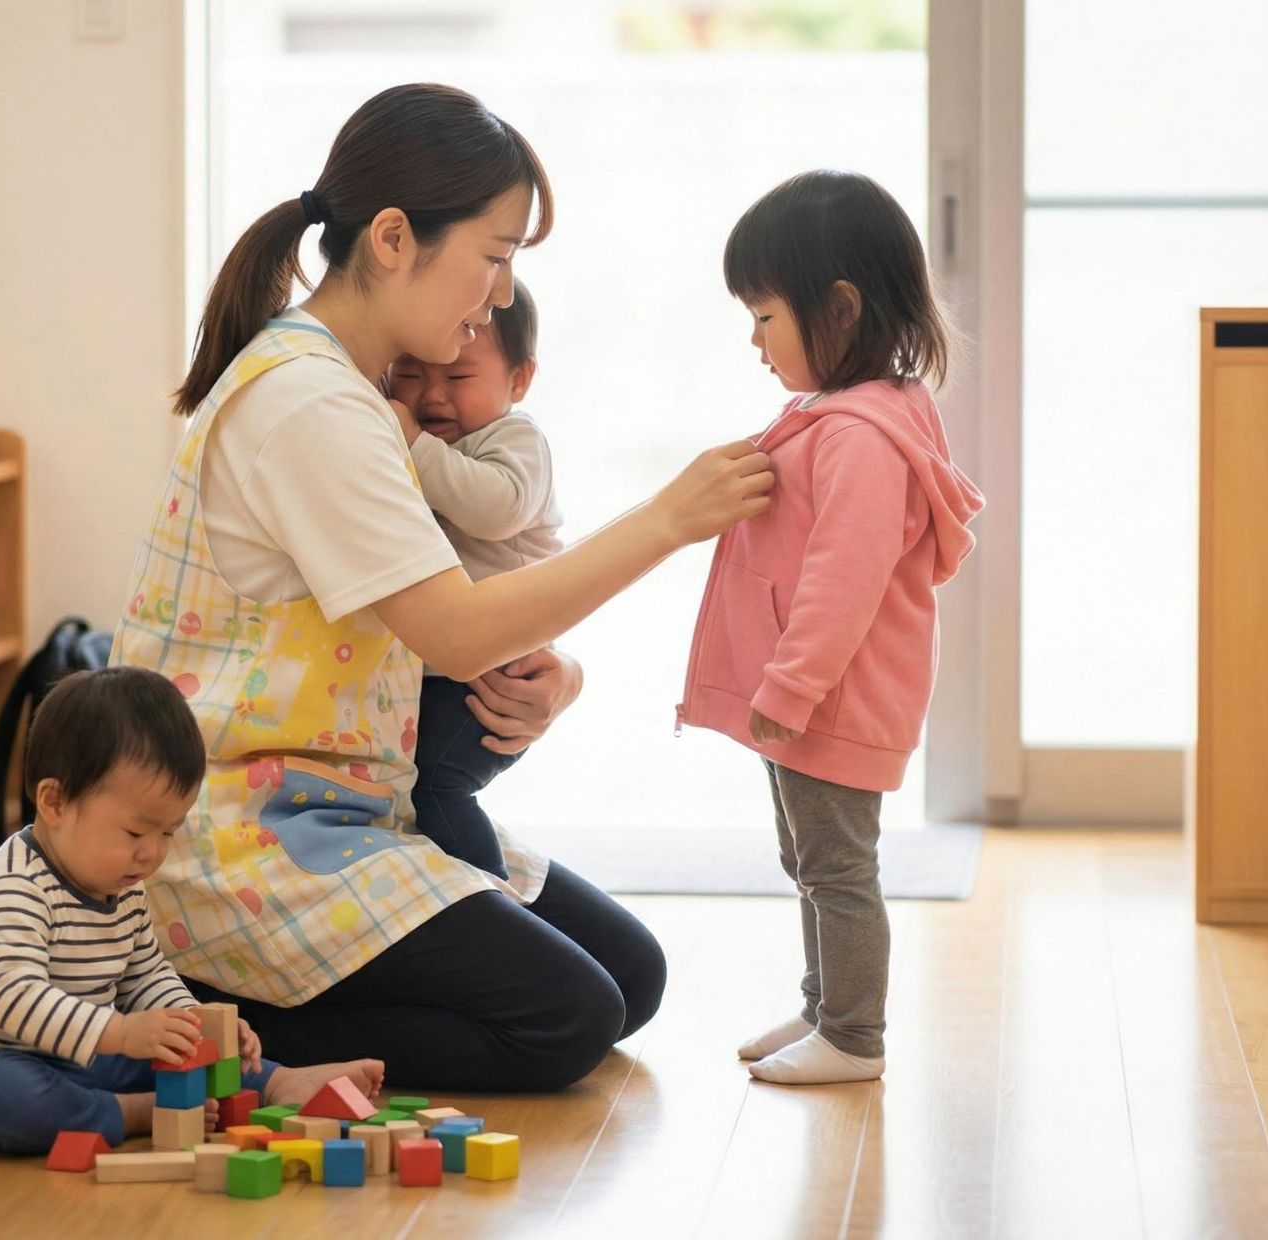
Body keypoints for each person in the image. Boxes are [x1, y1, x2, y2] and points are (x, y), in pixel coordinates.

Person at [114, 83, 774, 1091]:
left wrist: (558, 676)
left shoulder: (351, 391)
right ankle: (216, 1026)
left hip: (344, 804)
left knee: (629, 979)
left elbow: (445, 614)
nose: (499, 296)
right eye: (495, 256)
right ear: (392, 239)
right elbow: (456, 632)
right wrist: (665, 520)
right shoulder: (311, 403)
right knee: (569, 1018)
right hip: (248, 838)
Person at [678, 170, 984, 1085]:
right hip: (813, 697)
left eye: (765, 316)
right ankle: (824, 1008)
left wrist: (790, 688)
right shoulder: (841, 417)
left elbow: (841, 583)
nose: (755, 341)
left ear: (840, 310)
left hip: (829, 701)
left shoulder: (860, 437)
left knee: (838, 870)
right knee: (809, 858)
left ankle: (853, 1037)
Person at [0, 666, 383, 1153]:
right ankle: (129, 1113)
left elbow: (144, 973)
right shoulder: (12, 889)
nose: (152, 853)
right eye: (136, 832)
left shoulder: (122, 885)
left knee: (170, 1048)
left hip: (83, 1053)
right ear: (55, 802)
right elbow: (18, 1001)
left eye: (168, 832)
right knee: (7, 1096)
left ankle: (277, 1082)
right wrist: (121, 1032)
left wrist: (194, 1022)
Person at [383, 277, 560, 880]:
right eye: (410, 373)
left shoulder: (515, 438)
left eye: (459, 376)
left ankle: (488, 900)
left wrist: (413, 443)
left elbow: (496, 509)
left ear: (519, 380)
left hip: (494, 677)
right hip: (444, 669)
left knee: (434, 786)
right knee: (415, 790)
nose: (433, 394)